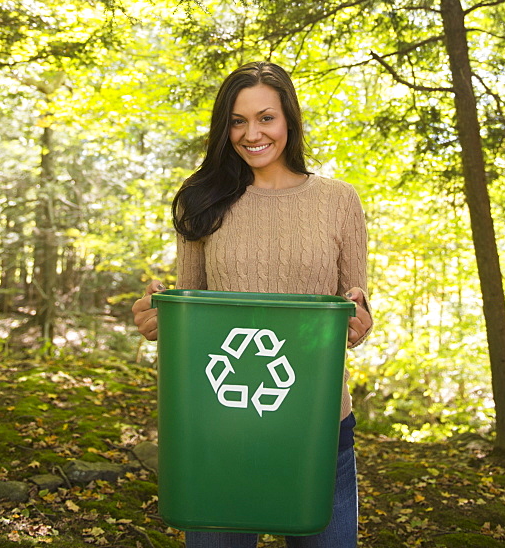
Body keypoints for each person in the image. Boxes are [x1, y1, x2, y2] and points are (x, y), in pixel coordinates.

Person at [132, 61, 372, 548]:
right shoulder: (202, 201)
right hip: (219, 424)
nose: (252, 133)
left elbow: (356, 309)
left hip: (317, 427)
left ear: (289, 121)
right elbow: (192, 312)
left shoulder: (339, 201)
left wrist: (360, 319)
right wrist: (159, 317)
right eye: (237, 121)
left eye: (266, 118)